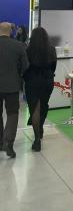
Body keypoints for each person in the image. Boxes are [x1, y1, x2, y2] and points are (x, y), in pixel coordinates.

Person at [23, 27, 57, 151]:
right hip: (47, 81)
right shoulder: (51, 49)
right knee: (44, 105)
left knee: (34, 109)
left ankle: (37, 139)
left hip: (32, 81)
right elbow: (54, 66)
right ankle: (40, 128)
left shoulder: (27, 50)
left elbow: (24, 67)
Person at [0, 22, 29, 158]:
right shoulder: (19, 45)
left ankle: (0, 142)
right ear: (10, 31)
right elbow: (25, 66)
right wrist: (18, 75)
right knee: (12, 114)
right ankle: (8, 142)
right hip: (12, 85)